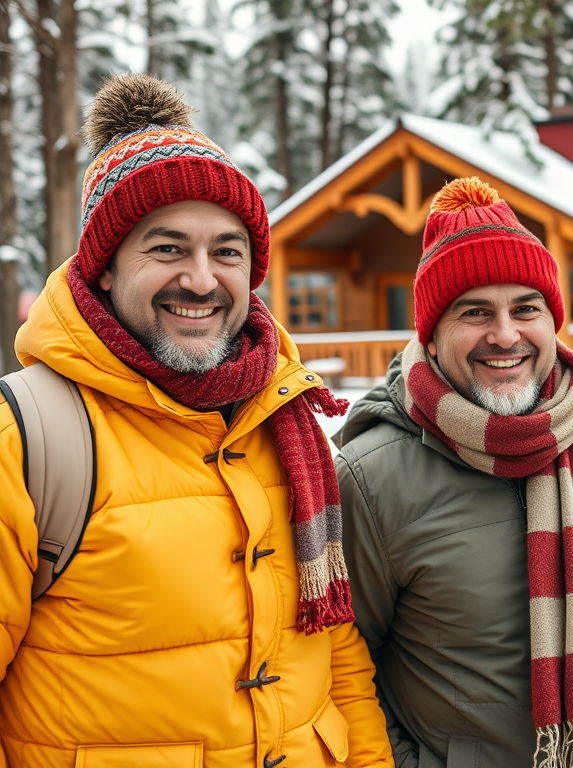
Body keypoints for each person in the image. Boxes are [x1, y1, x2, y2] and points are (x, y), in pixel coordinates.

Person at [0, 74, 392, 768]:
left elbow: (333, 650)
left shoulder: (283, 419)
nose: (203, 280)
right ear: (106, 269)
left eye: (228, 251)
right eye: (168, 247)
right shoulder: (26, 436)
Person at [335, 177, 573, 768]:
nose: (505, 335)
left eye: (525, 308)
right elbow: (342, 659)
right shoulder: (370, 479)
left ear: (552, 321)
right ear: (431, 336)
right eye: (475, 311)